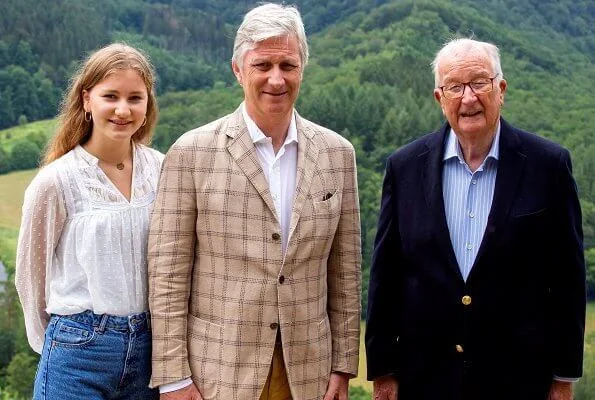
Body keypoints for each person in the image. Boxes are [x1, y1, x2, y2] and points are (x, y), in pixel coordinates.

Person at [148, 3, 361, 400]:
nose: (276, 79)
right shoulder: (190, 153)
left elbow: (344, 270)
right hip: (217, 371)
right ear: (238, 70)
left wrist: (343, 365)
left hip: (309, 373)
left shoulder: (337, 153)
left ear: (303, 68)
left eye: (288, 65)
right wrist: (173, 377)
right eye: (263, 65)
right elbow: (168, 276)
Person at [365, 38, 585, 400]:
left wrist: (563, 379)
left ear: (501, 89)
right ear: (440, 98)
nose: (468, 98)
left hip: (519, 379)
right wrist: (383, 372)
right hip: (425, 379)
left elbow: (568, 281)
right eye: (455, 86)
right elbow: (385, 277)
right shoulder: (404, 167)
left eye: (479, 82)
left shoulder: (548, 165)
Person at [15, 43, 162, 399]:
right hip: (78, 350)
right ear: (86, 100)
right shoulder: (56, 181)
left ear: (148, 104)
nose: (123, 109)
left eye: (135, 98)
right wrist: (57, 340)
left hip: (150, 352)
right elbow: (29, 275)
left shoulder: (163, 169)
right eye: (110, 96)